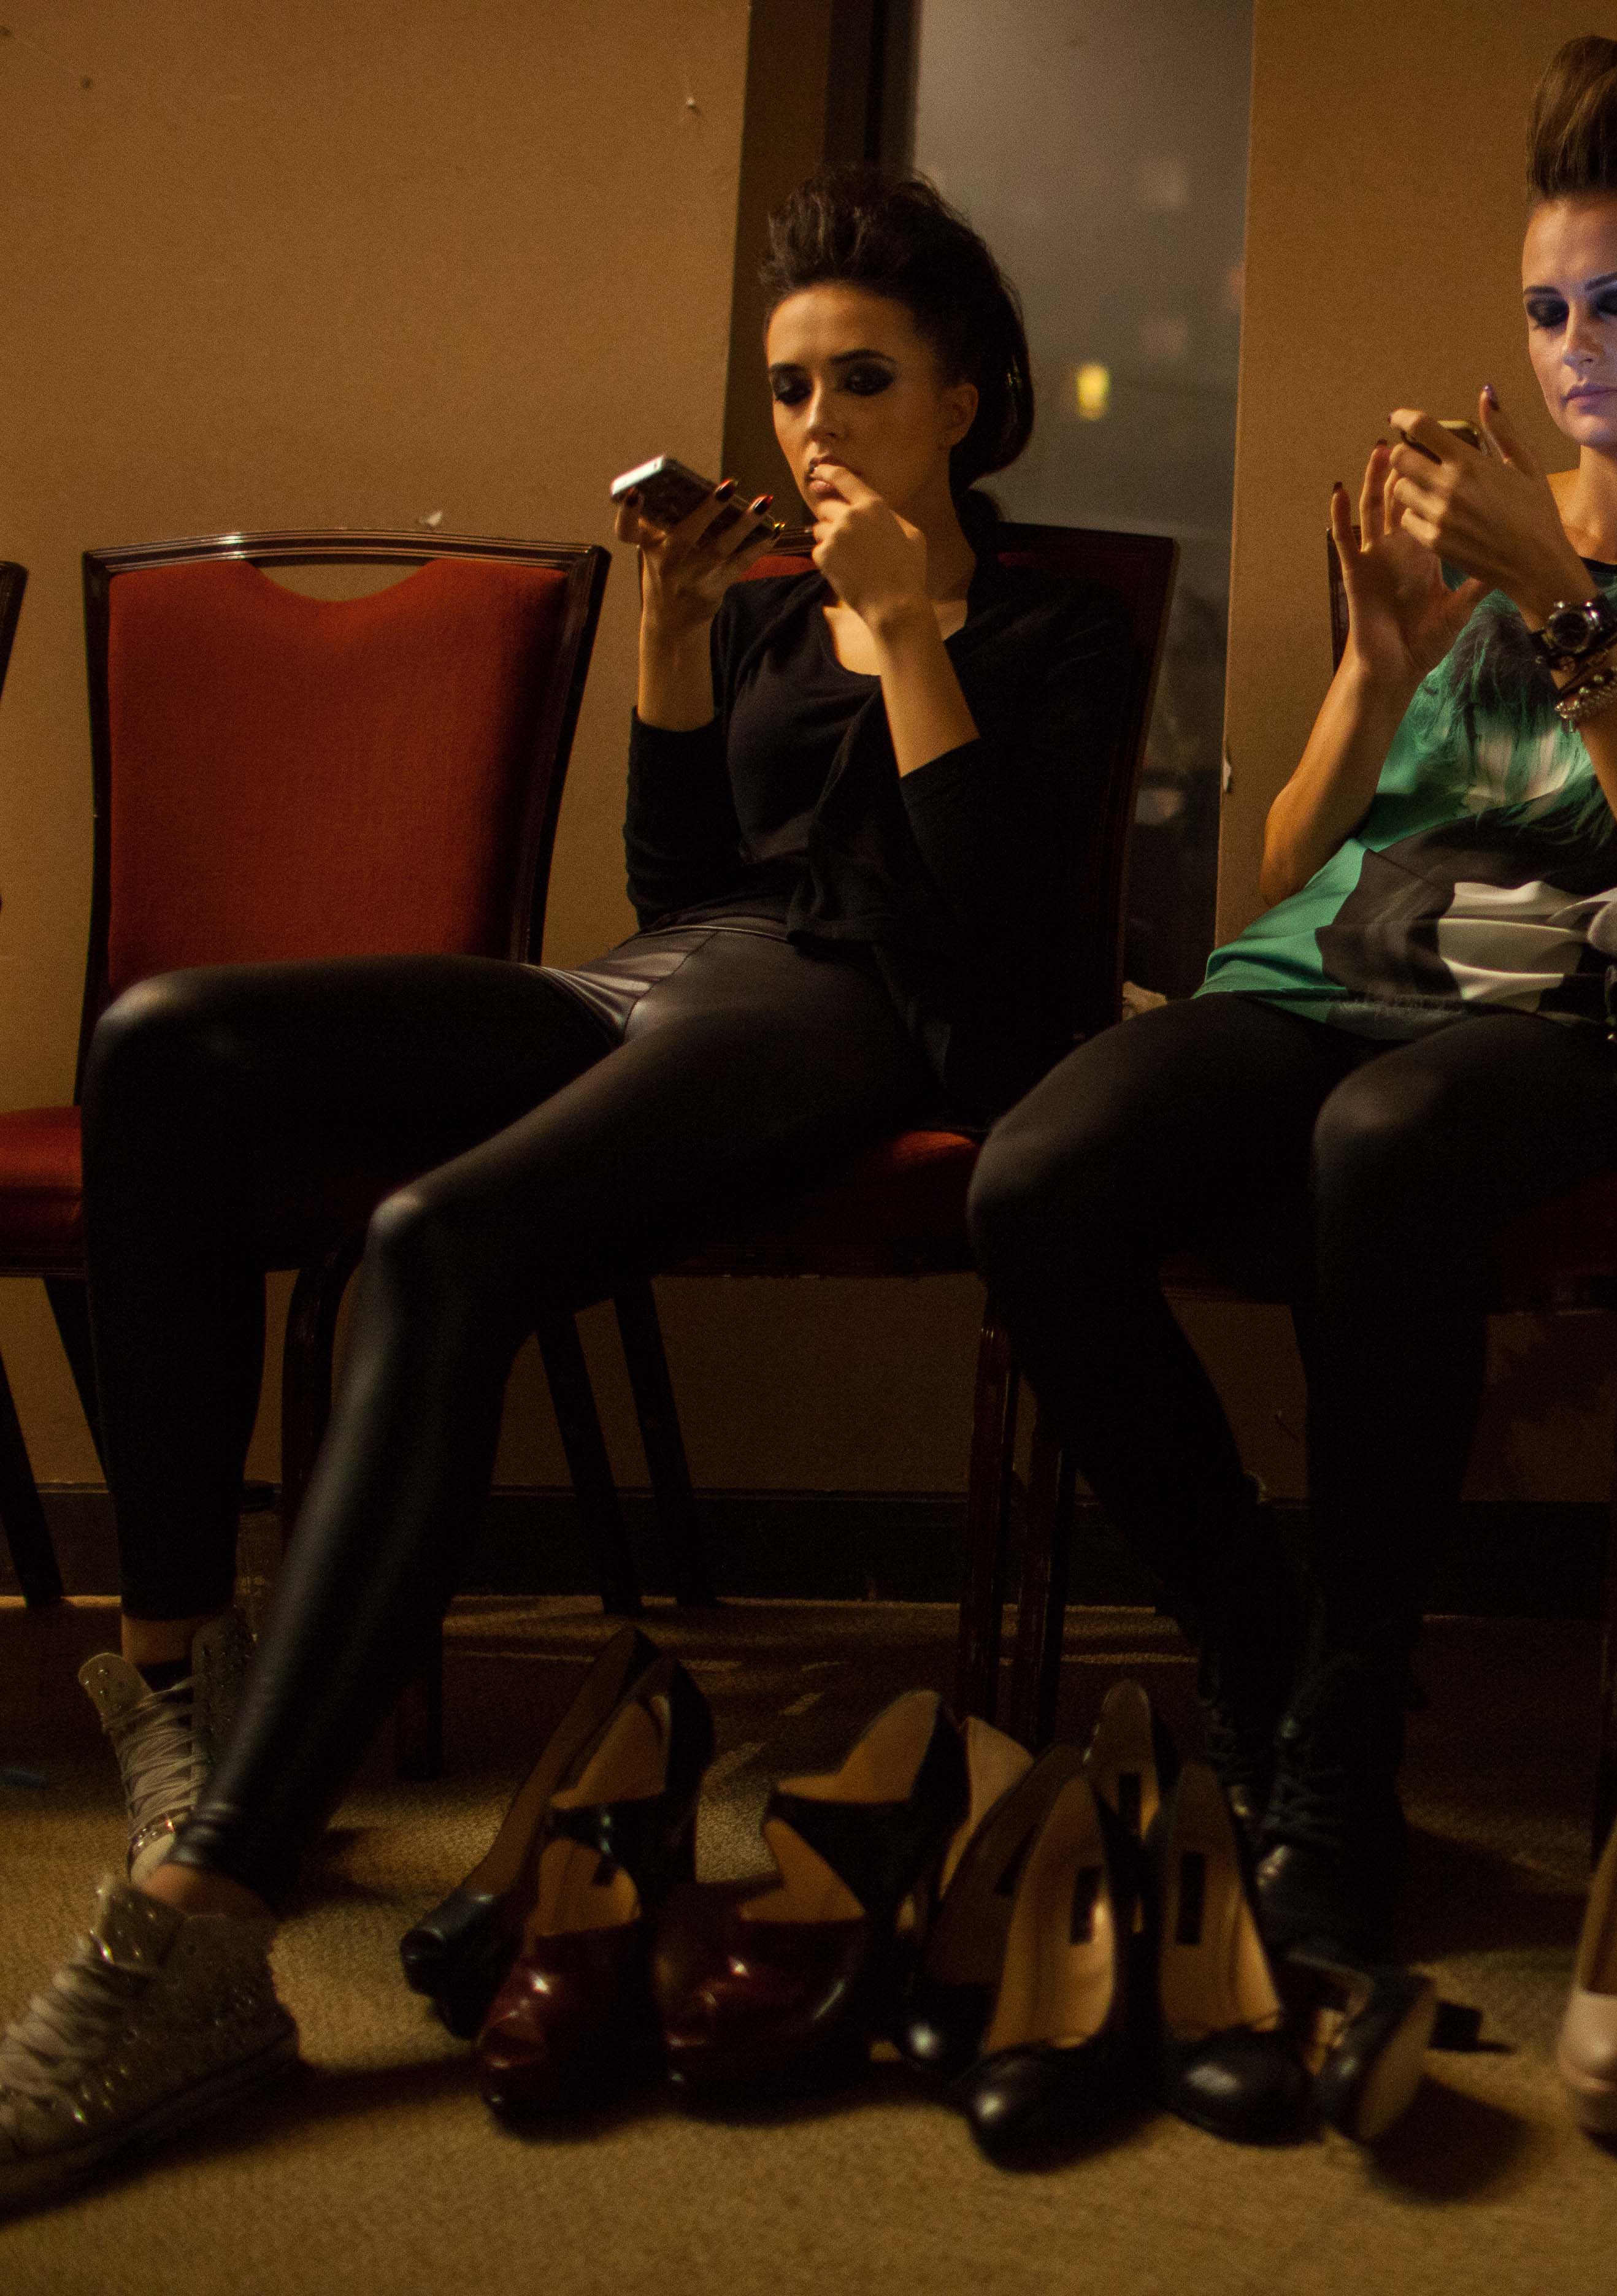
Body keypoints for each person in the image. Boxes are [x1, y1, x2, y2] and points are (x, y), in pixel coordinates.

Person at [1, 166, 1135, 2208]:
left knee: (435, 1240)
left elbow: (996, 961)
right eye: (789, 388)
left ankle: (209, 1911)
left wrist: (906, 631)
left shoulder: (1058, 629)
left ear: (966, 403)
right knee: (165, 1040)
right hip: (666, 978)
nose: (813, 424)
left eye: (862, 381)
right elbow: (682, 885)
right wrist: (680, 639)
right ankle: (182, 1677)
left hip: (861, 1012)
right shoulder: (774, 606)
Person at [966, 35, 1617, 1965]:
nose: (1573, 349)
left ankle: (1351, 1725)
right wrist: (1381, 661)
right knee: (1033, 1181)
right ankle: (1258, 1629)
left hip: (1564, 1008)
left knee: (1382, 1146)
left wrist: (1561, 599)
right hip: (1340, 961)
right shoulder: (1476, 546)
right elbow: (1291, 862)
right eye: (1546, 309)